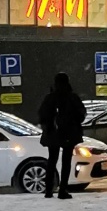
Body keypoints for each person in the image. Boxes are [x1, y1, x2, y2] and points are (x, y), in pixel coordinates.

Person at [37, 71, 86, 199]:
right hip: (69, 134)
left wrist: (50, 125)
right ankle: (62, 189)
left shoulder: (50, 97)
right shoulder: (72, 97)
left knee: (52, 160)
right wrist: (73, 124)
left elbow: (41, 114)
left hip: (53, 133)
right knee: (66, 161)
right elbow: (81, 114)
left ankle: (48, 190)